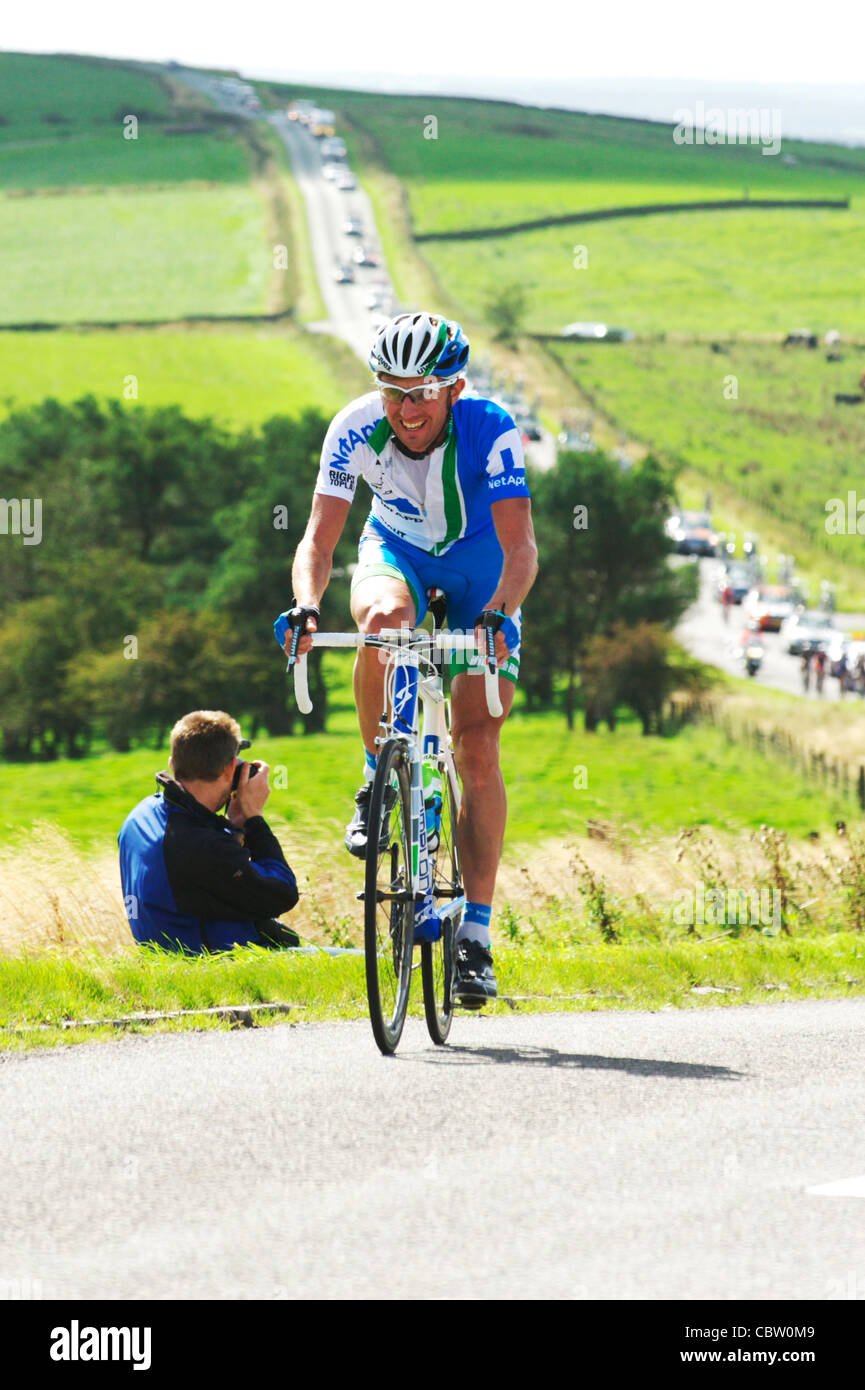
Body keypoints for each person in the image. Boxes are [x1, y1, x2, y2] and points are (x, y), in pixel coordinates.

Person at [277, 312, 538, 1006]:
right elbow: (318, 540)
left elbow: (521, 549)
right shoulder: (354, 427)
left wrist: (500, 612)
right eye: (392, 392)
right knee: (382, 624)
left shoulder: (491, 428)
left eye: (420, 393)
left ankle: (475, 934)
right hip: (396, 553)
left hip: (482, 571)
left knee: (477, 748)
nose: (405, 410)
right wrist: (306, 606)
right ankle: (377, 776)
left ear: (454, 389)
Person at [118, 710, 299, 953]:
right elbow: (282, 893)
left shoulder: (140, 816)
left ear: (172, 763)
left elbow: (210, 879)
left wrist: (236, 826)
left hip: (166, 957)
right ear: (230, 768)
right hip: (220, 963)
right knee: (351, 961)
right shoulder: (199, 845)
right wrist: (255, 819)